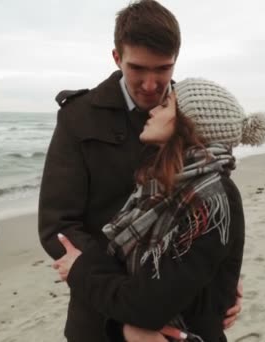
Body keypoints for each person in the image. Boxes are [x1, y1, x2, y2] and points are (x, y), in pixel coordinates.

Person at [39, 1, 242, 340]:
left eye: (162, 69)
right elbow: (58, 226)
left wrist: (220, 280)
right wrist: (132, 304)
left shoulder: (195, 112)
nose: (151, 84)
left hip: (182, 312)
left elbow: (211, 211)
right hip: (99, 312)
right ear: (117, 58)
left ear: (176, 59)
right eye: (137, 68)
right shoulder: (79, 117)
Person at [53, 78, 265, 341]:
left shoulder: (211, 197)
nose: (154, 110)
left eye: (166, 104)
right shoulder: (168, 184)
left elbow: (149, 305)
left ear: (189, 124)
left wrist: (80, 270)